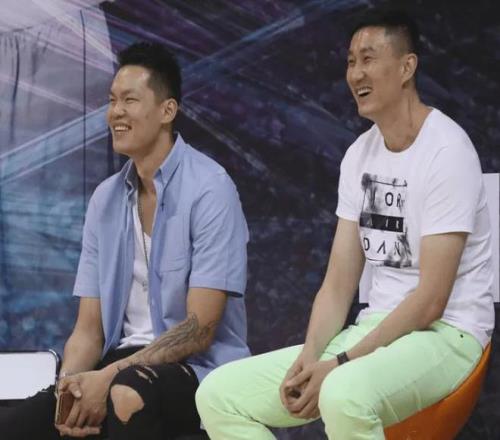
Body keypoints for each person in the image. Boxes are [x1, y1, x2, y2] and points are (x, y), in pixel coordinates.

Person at [195, 9, 494, 440]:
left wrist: (340, 364)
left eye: (369, 59)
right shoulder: (358, 156)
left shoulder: (447, 151)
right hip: (375, 329)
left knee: (342, 393)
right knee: (218, 395)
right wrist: (311, 356)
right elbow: (338, 283)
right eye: (351, 61)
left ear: (407, 67)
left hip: (449, 334)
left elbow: (431, 300)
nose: (356, 73)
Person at [0, 41, 249, 439]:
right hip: (119, 363)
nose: (115, 112)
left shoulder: (210, 189)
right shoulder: (105, 199)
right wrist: (70, 389)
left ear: (167, 111)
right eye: (112, 100)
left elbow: (200, 329)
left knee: (126, 395)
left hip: (199, 370)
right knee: (19, 424)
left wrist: (108, 377)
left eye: (129, 100)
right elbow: (88, 331)